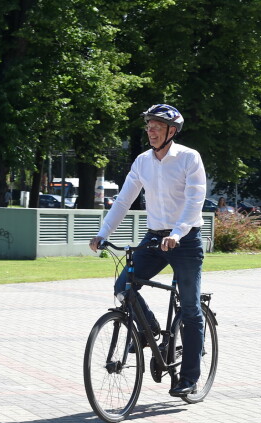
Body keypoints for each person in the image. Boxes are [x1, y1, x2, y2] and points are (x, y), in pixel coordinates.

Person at [89, 104, 206, 397]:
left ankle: (189, 378)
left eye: (156, 126)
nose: (150, 131)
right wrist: (103, 234)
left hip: (186, 239)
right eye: (148, 126)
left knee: (190, 308)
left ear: (171, 131)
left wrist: (178, 233)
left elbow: (195, 201)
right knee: (123, 287)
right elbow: (123, 200)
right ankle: (150, 329)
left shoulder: (189, 158)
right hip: (155, 238)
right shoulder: (142, 162)